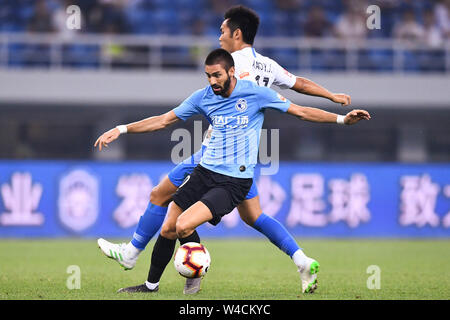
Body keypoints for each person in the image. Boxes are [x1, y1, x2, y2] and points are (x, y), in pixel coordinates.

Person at [97, 5, 352, 294]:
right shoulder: (267, 65)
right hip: (242, 155)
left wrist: (122, 128)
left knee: (162, 199)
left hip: (214, 153)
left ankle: (136, 253)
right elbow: (300, 84)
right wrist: (332, 96)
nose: (219, 37)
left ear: (237, 34)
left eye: (222, 31)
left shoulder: (233, 66)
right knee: (253, 216)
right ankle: (301, 259)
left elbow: (219, 105)